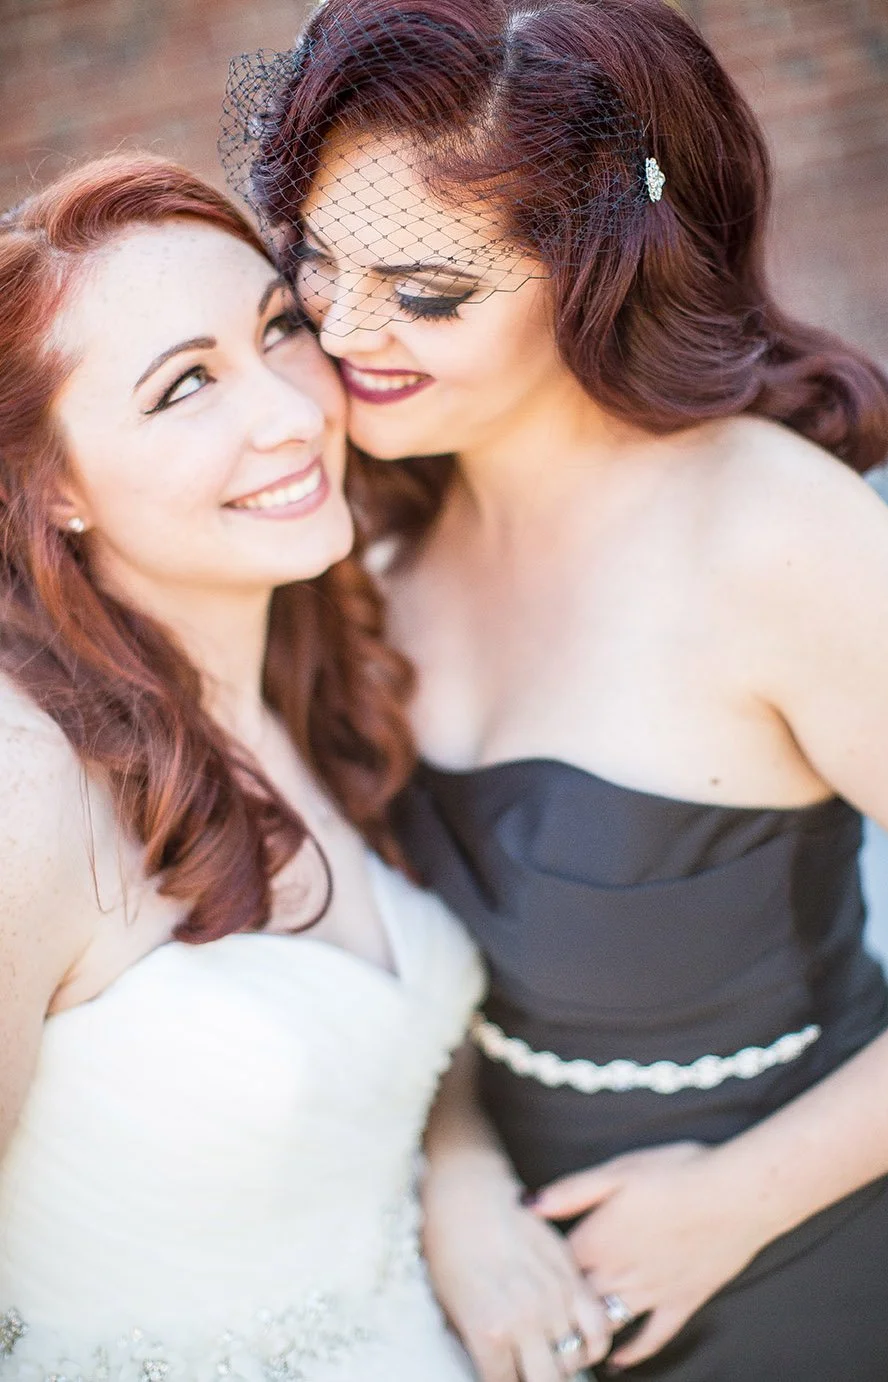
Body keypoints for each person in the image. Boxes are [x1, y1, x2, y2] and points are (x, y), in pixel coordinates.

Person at [222, 0, 888, 1378]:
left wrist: (735, 1202)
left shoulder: (775, 538)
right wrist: (455, 1171)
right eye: (316, 262)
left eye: (427, 293)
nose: (345, 330)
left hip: (806, 1266)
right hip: (480, 1298)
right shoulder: (360, 529)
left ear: (599, 276)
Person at [0, 151, 509, 1382]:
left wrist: (464, 1177)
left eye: (279, 328)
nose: (291, 411)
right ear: (55, 488)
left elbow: (383, 1060)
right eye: (185, 388)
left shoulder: (324, 673)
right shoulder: (29, 781)